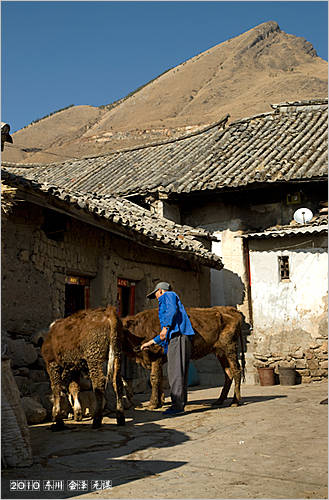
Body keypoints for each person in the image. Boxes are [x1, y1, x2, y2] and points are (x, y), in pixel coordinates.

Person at [141, 282, 195, 415]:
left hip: (178, 338)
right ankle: (180, 404)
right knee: (179, 372)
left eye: (156, 295)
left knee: (175, 373)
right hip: (179, 338)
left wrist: (165, 327)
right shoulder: (170, 300)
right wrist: (150, 342)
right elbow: (163, 335)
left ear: (160, 291)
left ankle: (177, 406)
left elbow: (171, 312)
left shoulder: (168, 295)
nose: (157, 299)